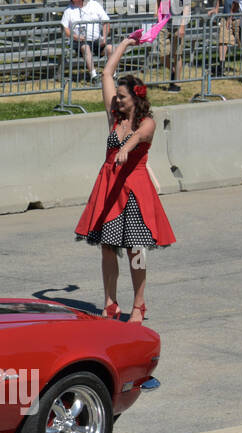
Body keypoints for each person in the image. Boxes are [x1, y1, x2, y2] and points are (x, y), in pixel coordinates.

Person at [74, 36, 176, 321]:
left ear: (136, 98)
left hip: (135, 190)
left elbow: (140, 137)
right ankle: (110, 303)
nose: (117, 99)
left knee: (137, 249)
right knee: (107, 247)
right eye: (116, 95)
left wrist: (125, 149)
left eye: (123, 96)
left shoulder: (147, 122)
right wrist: (125, 44)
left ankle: (139, 304)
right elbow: (106, 73)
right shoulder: (113, 117)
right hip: (109, 189)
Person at [61, 0, 111, 82]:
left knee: (111, 48)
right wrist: (76, 37)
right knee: (85, 47)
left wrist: (104, 38)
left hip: (96, 40)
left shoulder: (94, 5)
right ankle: (94, 76)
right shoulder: (68, 10)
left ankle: (111, 74)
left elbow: (106, 22)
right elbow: (64, 28)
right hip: (78, 43)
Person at [157, 0, 191, 92]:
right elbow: (158, 0)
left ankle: (175, 82)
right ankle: (172, 72)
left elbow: (187, 7)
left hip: (178, 22)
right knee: (162, 54)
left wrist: (183, 25)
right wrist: (157, 17)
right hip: (164, 23)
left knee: (177, 54)